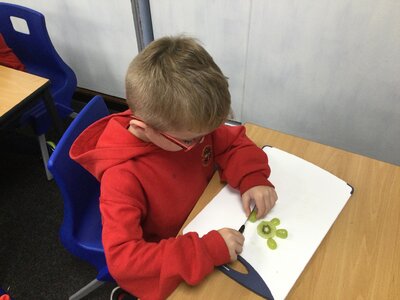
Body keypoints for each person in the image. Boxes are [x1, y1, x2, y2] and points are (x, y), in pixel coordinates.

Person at [70, 35, 277, 300]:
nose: (205, 140)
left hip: (202, 220)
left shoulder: (184, 128)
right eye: (192, 139)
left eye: (208, 132)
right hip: (175, 250)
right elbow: (123, 261)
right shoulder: (122, 176)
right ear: (143, 128)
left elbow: (233, 141)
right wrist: (203, 251)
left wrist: (253, 176)